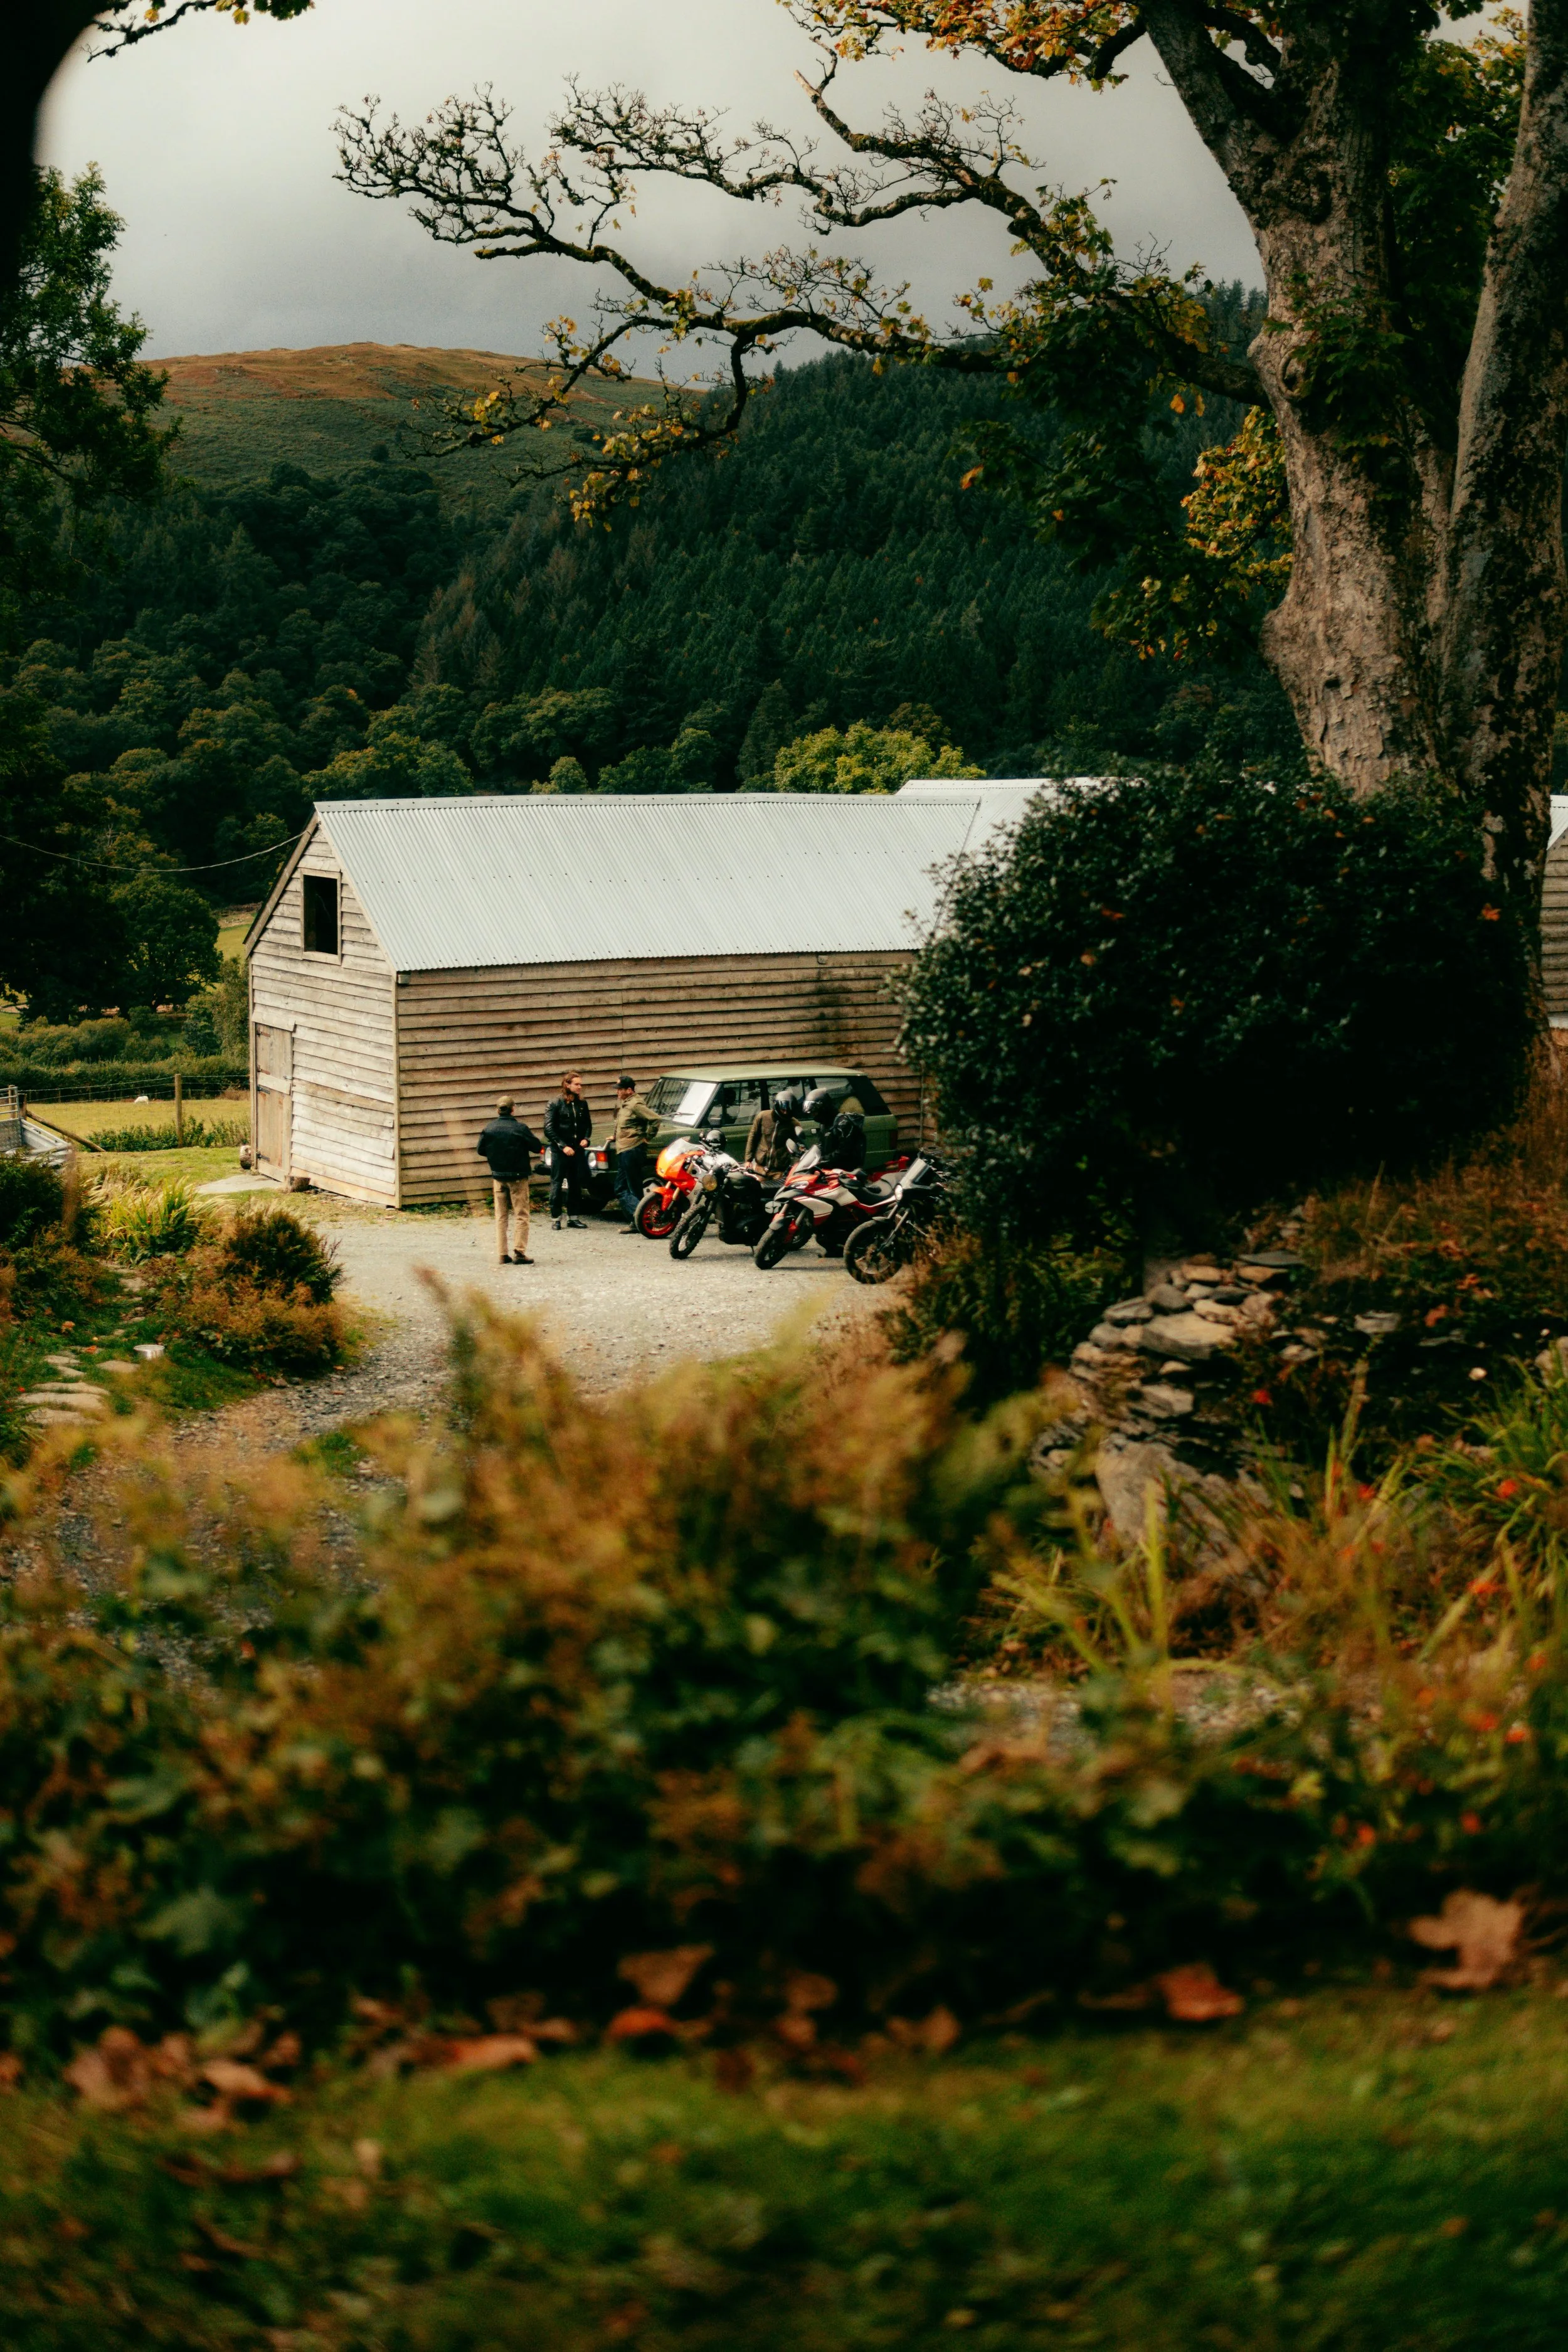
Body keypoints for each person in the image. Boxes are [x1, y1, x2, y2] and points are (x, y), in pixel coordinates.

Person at [475, 1097, 542, 1264]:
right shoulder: (520, 1128)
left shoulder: (489, 1129)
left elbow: (480, 1150)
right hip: (518, 1177)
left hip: (498, 1176)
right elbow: (536, 1147)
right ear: (513, 1109)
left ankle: (502, 1254)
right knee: (521, 1214)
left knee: (501, 1216)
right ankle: (519, 1252)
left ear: (498, 1110)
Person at [609, 1074, 660, 1232]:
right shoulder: (626, 1104)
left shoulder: (635, 1104)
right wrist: (616, 1137)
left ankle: (643, 1217)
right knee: (631, 1188)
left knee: (624, 1188)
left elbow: (655, 1119)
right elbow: (625, 1125)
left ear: (629, 1090)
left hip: (632, 1150)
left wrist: (647, 1137)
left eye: (620, 1089)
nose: (617, 1092)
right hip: (625, 1149)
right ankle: (639, 1222)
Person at [545, 1070, 593, 1228]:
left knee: (575, 1184)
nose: (580, 1087)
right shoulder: (555, 1104)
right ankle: (556, 1219)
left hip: (577, 1151)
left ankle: (573, 1218)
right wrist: (562, 1146)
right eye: (577, 1084)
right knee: (557, 1184)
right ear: (567, 1085)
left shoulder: (582, 1104)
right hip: (561, 1152)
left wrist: (586, 1138)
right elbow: (549, 1129)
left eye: (581, 1084)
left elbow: (588, 1125)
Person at [746, 1086, 800, 1178]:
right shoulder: (763, 1116)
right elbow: (753, 1137)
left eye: (788, 1110)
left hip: (779, 1170)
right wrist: (748, 1160)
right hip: (761, 1167)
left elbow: (798, 1146)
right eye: (783, 1110)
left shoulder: (794, 1123)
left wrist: (795, 1167)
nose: (786, 1113)